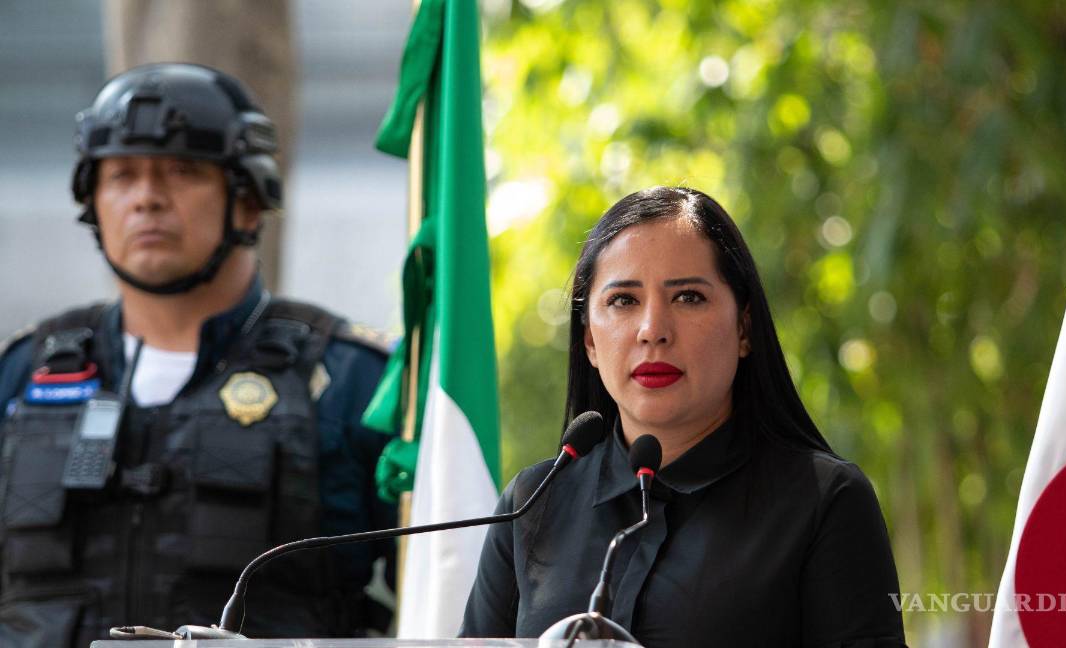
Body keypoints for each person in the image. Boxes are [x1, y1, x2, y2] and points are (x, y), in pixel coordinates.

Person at [0, 63, 395, 647]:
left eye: (182, 172)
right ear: (93, 202)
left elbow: (451, 590)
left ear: (249, 201)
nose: (146, 199)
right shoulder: (21, 373)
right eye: (121, 175)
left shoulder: (350, 378)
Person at [461, 187, 906, 646]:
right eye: (623, 300)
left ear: (744, 328)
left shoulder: (824, 501)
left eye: (688, 297)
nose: (653, 330)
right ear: (590, 340)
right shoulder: (532, 505)